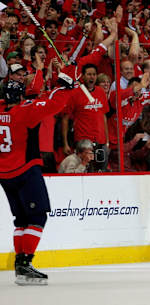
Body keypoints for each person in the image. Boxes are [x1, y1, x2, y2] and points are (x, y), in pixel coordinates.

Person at [0, 77, 72, 285]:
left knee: (21, 219)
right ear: (21, 96)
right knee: (38, 216)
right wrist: (66, 88)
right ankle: (25, 263)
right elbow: (55, 104)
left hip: (5, 174)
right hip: (25, 170)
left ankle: (19, 264)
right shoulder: (25, 112)